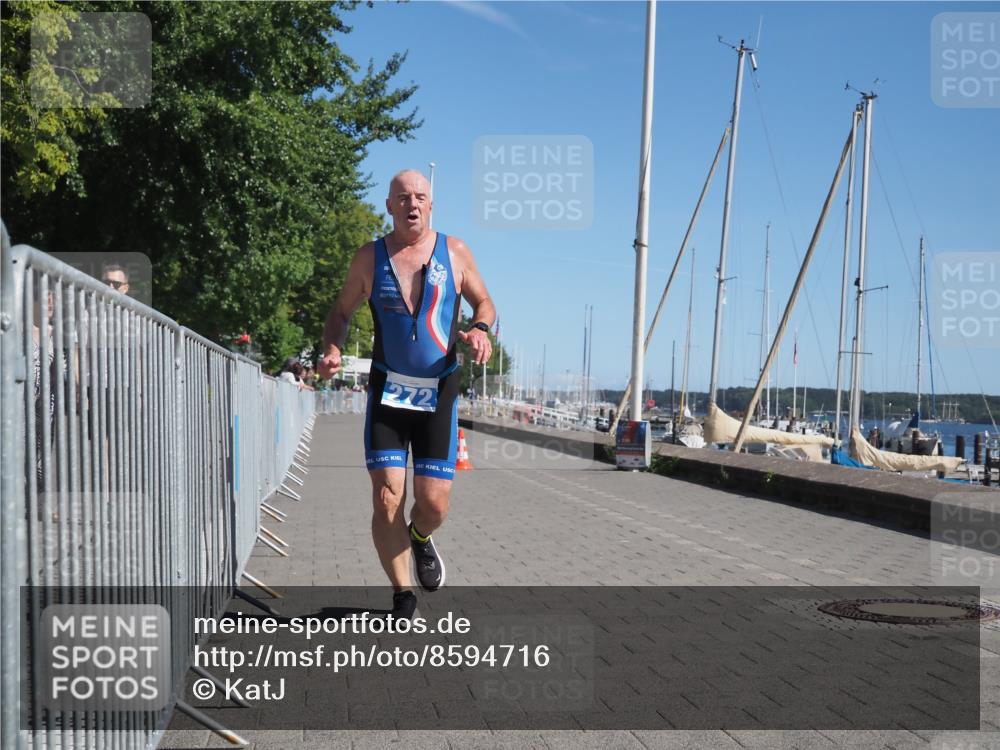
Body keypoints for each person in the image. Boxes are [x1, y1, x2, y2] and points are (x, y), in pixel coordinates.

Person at [319, 169, 495, 619]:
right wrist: (333, 348)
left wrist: (479, 329)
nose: (411, 204)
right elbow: (340, 312)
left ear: (430, 205)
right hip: (388, 392)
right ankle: (402, 593)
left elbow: (485, 302)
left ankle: (420, 538)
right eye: (402, 197)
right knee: (386, 497)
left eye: (419, 196)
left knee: (432, 502)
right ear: (390, 205)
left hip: (439, 392)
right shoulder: (368, 258)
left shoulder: (454, 251)